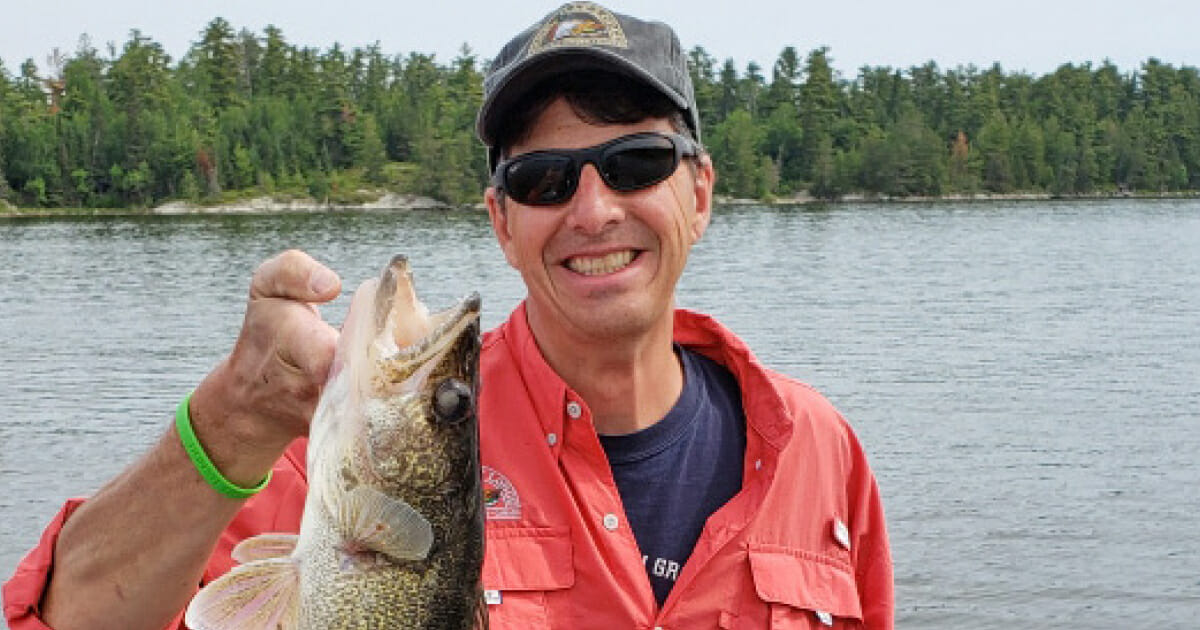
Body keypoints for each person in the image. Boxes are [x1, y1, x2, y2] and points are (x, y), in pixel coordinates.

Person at [3, 3, 893, 628]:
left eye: (635, 161)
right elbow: (69, 620)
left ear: (699, 191)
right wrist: (228, 423)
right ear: (502, 221)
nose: (591, 211)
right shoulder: (329, 473)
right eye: (541, 180)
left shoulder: (819, 451)